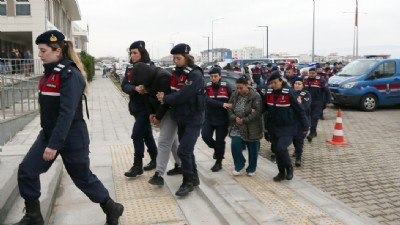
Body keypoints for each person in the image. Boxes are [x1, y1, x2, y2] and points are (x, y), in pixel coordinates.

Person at [14, 30, 124, 225]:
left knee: (82, 178)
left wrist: (54, 144)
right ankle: (33, 216)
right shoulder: (49, 74)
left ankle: (111, 207)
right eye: (39, 50)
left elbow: (67, 113)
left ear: (57, 51)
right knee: (26, 171)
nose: (39, 54)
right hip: (49, 134)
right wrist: (50, 139)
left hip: (72, 136)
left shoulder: (70, 74)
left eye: (43, 50)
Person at [156, 43, 205, 197]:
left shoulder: (195, 74)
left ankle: (187, 182)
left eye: (178, 58)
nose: (175, 61)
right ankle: (194, 177)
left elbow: (183, 95)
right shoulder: (176, 73)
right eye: (174, 58)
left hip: (193, 118)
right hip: (181, 117)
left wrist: (165, 99)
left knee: (183, 150)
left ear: (187, 57)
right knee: (187, 150)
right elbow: (172, 91)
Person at [121, 41, 158, 178]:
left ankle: (137, 166)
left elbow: (156, 86)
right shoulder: (129, 68)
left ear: (142, 53)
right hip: (135, 107)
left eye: (135, 52)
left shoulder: (151, 67)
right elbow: (124, 85)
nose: (132, 55)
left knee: (136, 134)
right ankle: (155, 158)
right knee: (146, 133)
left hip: (147, 107)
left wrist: (147, 89)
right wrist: (135, 88)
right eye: (131, 52)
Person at [264, 72, 309, 182]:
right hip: (273, 127)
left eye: (275, 82)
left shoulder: (290, 92)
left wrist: (305, 127)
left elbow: (300, 111)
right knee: (277, 150)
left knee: (281, 148)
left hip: (288, 127)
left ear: (280, 81)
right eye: (271, 83)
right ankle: (281, 172)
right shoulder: (269, 93)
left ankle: (289, 168)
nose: (273, 85)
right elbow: (264, 109)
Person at [147, 66, 182, 186]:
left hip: (171, 112)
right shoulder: (148, 77)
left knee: (163, 142)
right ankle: (180, 165)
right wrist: (152, 113)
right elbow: (149, 98)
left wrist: (158, 117)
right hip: (162, 112)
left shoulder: (162, 77)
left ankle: (159, 174)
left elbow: (165, 101)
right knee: (172, 142)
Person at [227, 76, 263, 176]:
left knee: (252, 148)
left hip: (252, 126)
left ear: (247, 85)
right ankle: (239, 164)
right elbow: (229, 107)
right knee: (235, 145)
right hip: (237, 125)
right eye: (237, 88)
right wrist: (235, 118)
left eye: (241, 88)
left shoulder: (255, 96)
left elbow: (257, 112)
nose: (239, 90)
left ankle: (251, 168)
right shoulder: (235, 94)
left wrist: (244, 120)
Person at [201, 67, 232, 172]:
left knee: (220, 141)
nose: (213, 78)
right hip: (209, 118)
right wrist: (222, 104)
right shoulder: (207, 86)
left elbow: (232, 100)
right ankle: (216, 149)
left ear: (220, 76)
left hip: (222, 119)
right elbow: (206, 100)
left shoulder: (226, 86)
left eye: (215, 76)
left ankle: (219, 162)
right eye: (211, 76)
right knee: (205, 136)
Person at [304, 68, 331, 142]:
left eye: (313, 73)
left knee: (314, 118)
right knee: (307, 118)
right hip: (307, 102)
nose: (311, 74)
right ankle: (310, 131)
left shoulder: (321, 80)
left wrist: (328, 101)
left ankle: (312, 133)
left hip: (318, 102)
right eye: (310, 73)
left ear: (316, 73)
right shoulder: (305, 80)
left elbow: (327, 91)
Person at [292, 77, 311, 167]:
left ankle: (298, 157)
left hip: (302, 121)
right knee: (294, 139)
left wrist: (297, 103)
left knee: (299, 140)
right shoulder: (291, 93)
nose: (297, 85)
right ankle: (296, 150)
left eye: (299, 84)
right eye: (296, 83)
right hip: (291, 121)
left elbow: (304, 107)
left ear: (303, 85)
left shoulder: (306, 94)